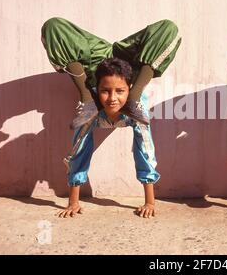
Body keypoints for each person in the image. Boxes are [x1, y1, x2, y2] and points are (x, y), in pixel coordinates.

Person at [56, 58, 159, 218]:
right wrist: (73, 202)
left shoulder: (138, 108)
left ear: (129, 90)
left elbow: (145, 149)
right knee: (81, 143)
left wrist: (150, 203)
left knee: (144, 143)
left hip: (128, 113)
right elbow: (79, 148)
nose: (112, 98)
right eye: (105, 91)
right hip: (98, 114)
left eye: (120, 91)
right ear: (97, 89)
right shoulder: (90, 109)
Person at [41, 17, 181, 127]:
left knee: (168, 28)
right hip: (96, 58)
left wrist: (133, 92)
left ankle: (132, 100)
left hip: (128, 59)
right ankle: (88, 100)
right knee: (53, 25)